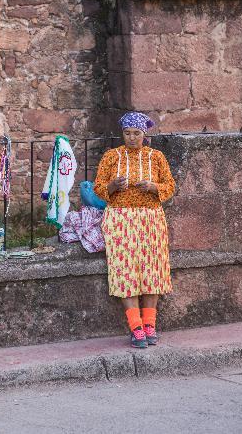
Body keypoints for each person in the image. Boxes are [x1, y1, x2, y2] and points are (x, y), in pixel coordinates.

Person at [93, 112, 175, 348]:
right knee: (125, 271)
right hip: (120, 219)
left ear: (144, 134)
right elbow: (99, 188)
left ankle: (150, 324)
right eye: (127, 133)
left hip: (151, 218)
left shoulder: (156, 158)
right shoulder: (111, 157)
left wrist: (153, 187)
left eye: (136, 133)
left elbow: (170, 186)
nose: (131, 138)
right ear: (123, 134)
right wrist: (113, 185)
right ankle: (136, 327)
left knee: (153, 270)